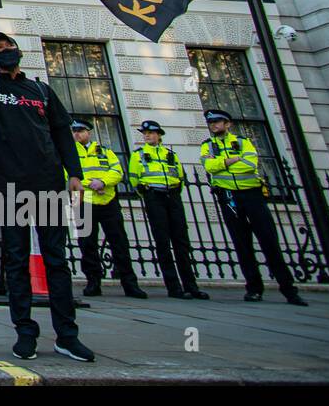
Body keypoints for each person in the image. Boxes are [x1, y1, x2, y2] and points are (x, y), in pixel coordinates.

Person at [0, 7, 95, 363]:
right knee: (14, 261)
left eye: (7, 46)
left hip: (47, 184)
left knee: (56, 260)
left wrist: (74, 173)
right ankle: (25, 332)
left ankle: (66, 335)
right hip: (6, 186)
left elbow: (61, 131)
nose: (4, 51)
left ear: (18, 52)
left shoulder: (41, 91)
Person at [202, 109, 305, 306]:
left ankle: (289, 289)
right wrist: (231, 160)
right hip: (228, 196)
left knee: (269, 241)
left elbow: (250, 164)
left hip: (252, 194)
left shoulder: (243, 142)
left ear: (228, 123)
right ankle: (254, 289)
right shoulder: (207, 146)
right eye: (211, 123)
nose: (214, 125)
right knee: (241, 243)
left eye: (217, 122)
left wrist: (222, 163)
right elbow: (208, 167)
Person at [130, 120, 208, 300]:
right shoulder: (138, 155)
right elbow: (134, 179)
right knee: (163, 242)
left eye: (150, 133)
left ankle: (191, 285)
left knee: (181, 242)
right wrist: (148, 193)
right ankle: (173, 287)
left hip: (172, 196)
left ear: (159, 135)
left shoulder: (170, 154)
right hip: (153, 196)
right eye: (145, 133)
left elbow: (179, 176)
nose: (147, 136)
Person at [71, 119, 146, 299]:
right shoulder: (70, 152)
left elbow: (117, 171)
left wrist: (104, 182)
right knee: (87, 244)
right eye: (74, 131)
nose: (77, 134)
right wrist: (92, 184)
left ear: (89, 132)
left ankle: (129, 283)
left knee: (119, 242)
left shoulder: (105, 151)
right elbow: (68, 174)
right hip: (83, 201)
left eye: (80, 131)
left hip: (108, 200)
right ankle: (93, 282)